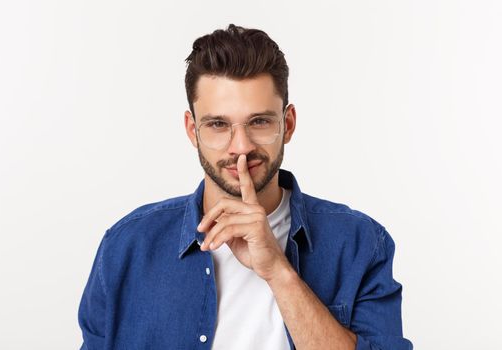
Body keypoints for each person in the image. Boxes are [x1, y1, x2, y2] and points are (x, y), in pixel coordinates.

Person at [78, 24, 413, 350]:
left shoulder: (359, 244)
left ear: (288, 124)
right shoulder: (127, 247)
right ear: (193, 131)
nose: (240, 146)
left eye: (259, 121)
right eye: (218, 124)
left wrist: (278, 272)